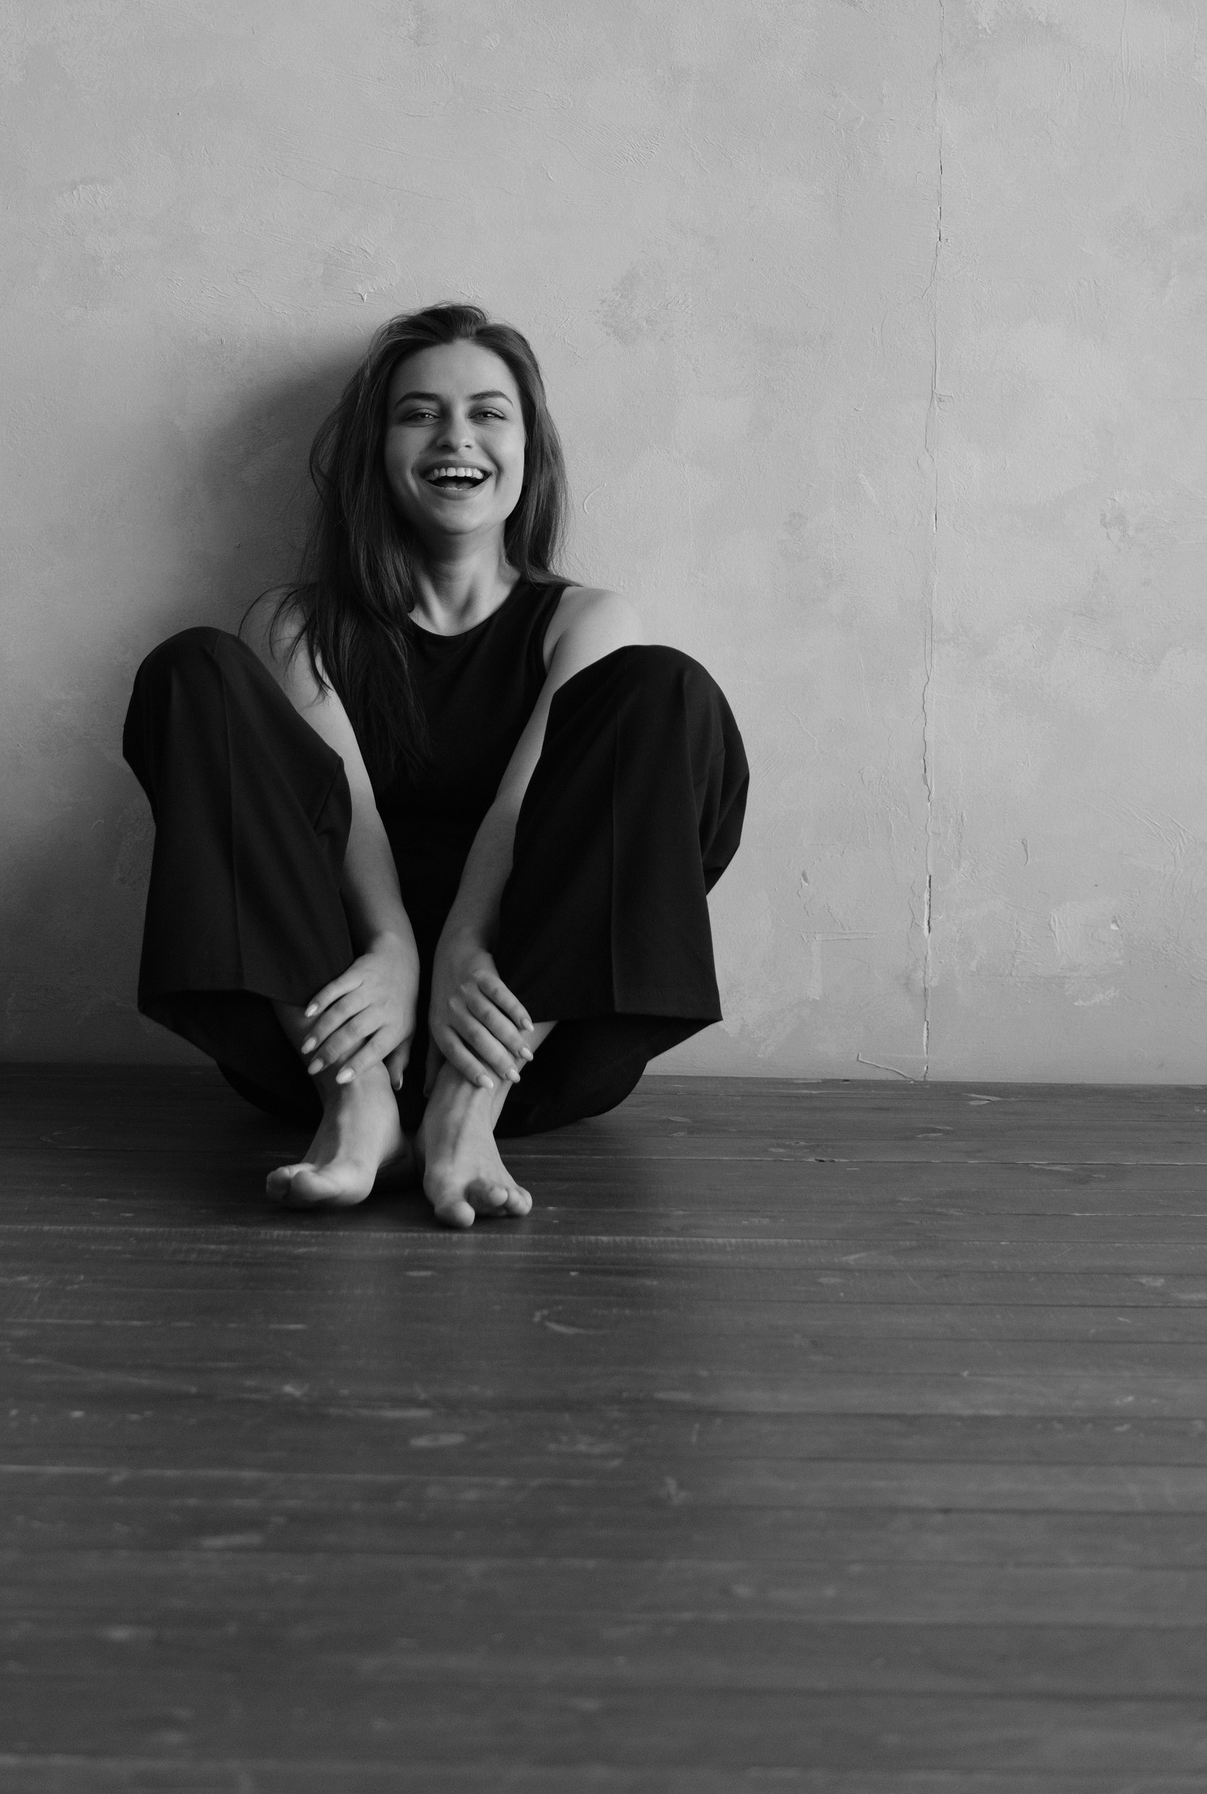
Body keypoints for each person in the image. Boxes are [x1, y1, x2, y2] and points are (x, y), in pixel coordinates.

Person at [122, 303, 748, 1229]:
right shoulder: (297, 624)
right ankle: (360, 1115)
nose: (456, 436)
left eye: (489, 412)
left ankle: (465, 1116)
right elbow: (350, 822)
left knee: (664, 689)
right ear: (377, 449)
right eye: (420, 413)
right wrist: (395, 955)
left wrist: (459, 950)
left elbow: (516, 813)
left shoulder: (584, 621)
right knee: (193, 670)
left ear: (529, 449)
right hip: (325, 1027)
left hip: (529, 1037)